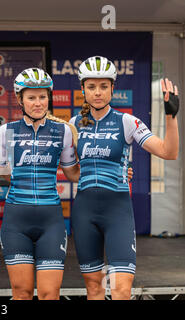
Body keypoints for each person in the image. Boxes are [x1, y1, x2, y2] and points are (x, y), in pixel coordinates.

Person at [70, 56, 179, 300]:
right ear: (83, 89)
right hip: (85, 212)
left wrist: (171, 117)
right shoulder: (73, 124)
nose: (98, 92)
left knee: (121, 290)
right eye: (91, 87)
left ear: (112, 88)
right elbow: (70, 171)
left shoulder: (127, 121)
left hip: (117, 211)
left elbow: (168, 152)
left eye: (104, 86)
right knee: (94, 289)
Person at [0, 68, 80, 300]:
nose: (38, 103)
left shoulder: (64, 131)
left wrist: (118, 171)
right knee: (22, 293)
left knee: (50, 293)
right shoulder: (5, 132)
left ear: (49, 97)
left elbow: (73, 174)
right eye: (31, 97)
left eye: (42, 96)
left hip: (51, 220)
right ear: (20, 99)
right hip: (16, 220)